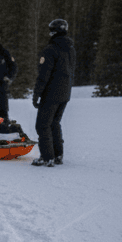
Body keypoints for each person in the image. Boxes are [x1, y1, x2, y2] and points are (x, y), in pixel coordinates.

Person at [31, 18, 76, 167]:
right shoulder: (70, 49)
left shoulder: (50, 49)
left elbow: (44, 75)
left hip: (51, 93)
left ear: (53, 32)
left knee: (43, 125)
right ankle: (58, 155)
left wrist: (37, 94)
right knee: (55, 123)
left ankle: (47, 157)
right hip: (65, 93)